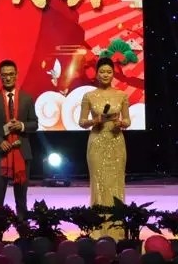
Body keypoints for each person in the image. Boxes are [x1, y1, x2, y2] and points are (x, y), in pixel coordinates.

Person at [0, 59, 38, 226]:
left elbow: (34, 124)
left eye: (11, 74)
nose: (8, 78)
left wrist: (22, 125)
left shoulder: (27, 98)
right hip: (0, 154)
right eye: (4, 75)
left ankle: (23, 232)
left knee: (21, 199)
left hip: (22, 153)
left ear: (16, 75)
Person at [78, 56, 130, 238]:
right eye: (102, 71)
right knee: (98, 184)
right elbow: (81, 122)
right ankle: (97, 231)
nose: (105, 74)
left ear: (113, 74)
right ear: (96, 74)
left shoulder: (122, 95)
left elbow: (128, 120)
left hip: (116, 142)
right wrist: (95, 120)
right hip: (97, 142)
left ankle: (116, 231)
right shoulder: (89, 96)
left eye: (109, 71)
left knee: (116, 184)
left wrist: (121, 123)